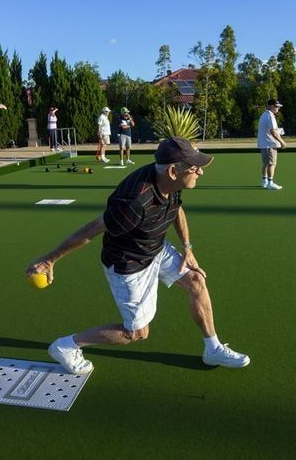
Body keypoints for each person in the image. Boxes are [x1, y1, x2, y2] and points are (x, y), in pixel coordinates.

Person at [26, 136, 250, 374]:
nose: (200, 173)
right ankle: (66, 346)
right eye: (194, 168)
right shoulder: (134, 202)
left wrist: (187, 247)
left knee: (196, 281)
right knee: (136, 333)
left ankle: (212, 349)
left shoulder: (169, 182)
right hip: (129, 263)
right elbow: (92, 229)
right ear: (173, 171)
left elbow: (176, 208)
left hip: (155, 247)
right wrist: (50, 259)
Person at [257, 99, 287, 190]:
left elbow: (271, 130)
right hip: (269, 144)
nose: (278, 108)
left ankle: (264, 181)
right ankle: (270, 183)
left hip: (264, 144)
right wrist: (282, 142)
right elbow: (273, 131)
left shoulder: (264, 114)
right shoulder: (270, 115)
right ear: (271, 106)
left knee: (266, 164)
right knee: (272, 164)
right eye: (276, 106)